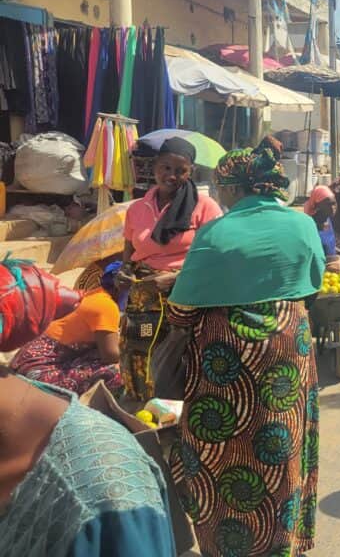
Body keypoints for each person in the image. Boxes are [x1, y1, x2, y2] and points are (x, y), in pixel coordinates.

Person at [168, 136, 324, 557]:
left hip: (224, 367)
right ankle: (282, 543)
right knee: (282, 445)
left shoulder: (216, 232)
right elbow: (312, 287)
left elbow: (181, 312)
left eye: (220, 189)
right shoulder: (303, 224)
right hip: (289, 351)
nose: (218, 196)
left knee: (221, 456)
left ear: (234, 189)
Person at [0, 261, 176, 557]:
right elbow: (110, 354)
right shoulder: (105, 307)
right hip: (43, 366)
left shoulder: (103, 491)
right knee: (116, 370)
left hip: (38, 359)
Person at [121, 137, 222, 401]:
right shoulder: (136, 208)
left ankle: (181, 408)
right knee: (142, 345)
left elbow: (216, 256)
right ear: (155, 167)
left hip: (186, 293)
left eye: (181, 170)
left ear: (190, 172)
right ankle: (145, 402)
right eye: (166, 167)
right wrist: (124, 269)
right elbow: (129, 247)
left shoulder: (205, 207)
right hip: (145, 295)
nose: (172, 175)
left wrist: (177, 277)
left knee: (180, 351)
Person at [12, 260, 123, 394]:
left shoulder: (94, 294)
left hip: (24, 361)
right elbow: (110, 356)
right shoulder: (107, 306)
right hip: (38, 373)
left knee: (99, 351)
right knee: (119, 371)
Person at [304, 184, 340, 270]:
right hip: (322, 267)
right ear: (318, 206)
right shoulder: (312, 224)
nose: (333, 208)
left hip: (333, 262)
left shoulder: (328, 219)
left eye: (334, 203)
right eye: (328, 204)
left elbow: (330, 247)